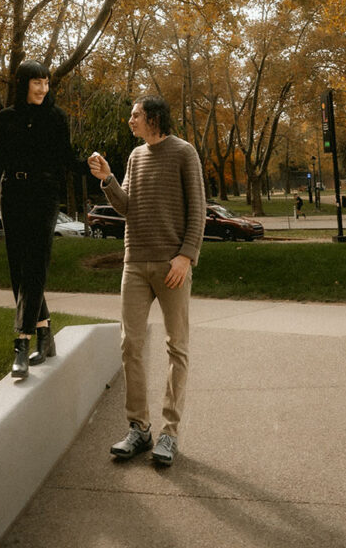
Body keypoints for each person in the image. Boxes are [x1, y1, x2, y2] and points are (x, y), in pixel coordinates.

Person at [88, 95, 206, 468]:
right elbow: (127, 207)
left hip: (172, 265)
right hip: (135, 263)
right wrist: (107, 179)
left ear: (154, 118)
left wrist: (186, 256)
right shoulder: (136, 157)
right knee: (130, 345)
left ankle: (169, 432)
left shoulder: (184, 153)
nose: (130, 120)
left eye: (135, 115)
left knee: (177, 347)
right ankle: (139, 428)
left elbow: (199, 209)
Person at [0, 60, 83, 380]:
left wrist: (90, 167)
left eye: (46, 82)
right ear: (23, 84)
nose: (42, 88)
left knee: (35, 265)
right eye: (36, 82)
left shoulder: (56, 118)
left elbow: (66, 158)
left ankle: (21, 344)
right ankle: (45, 334)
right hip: (13, 194)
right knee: (18, 269)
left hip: (45, 194)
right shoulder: (6, 119)